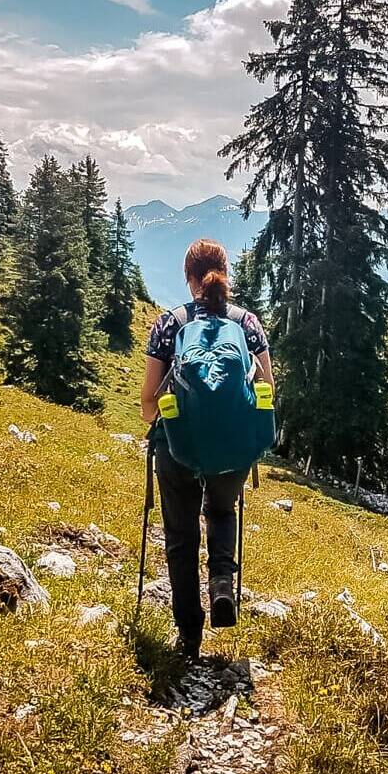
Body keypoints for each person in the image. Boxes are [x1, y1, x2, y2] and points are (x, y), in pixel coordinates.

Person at [140, 238, 274, 659]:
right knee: (220, 511)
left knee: (180, 537)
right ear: (225, 273)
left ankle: (189, 635)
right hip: (233, 449)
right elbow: (268, 387)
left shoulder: (169, 324)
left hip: (177, 447)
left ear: (188, 278)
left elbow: (148, 404)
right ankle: (221, 583)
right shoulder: (248, 324)